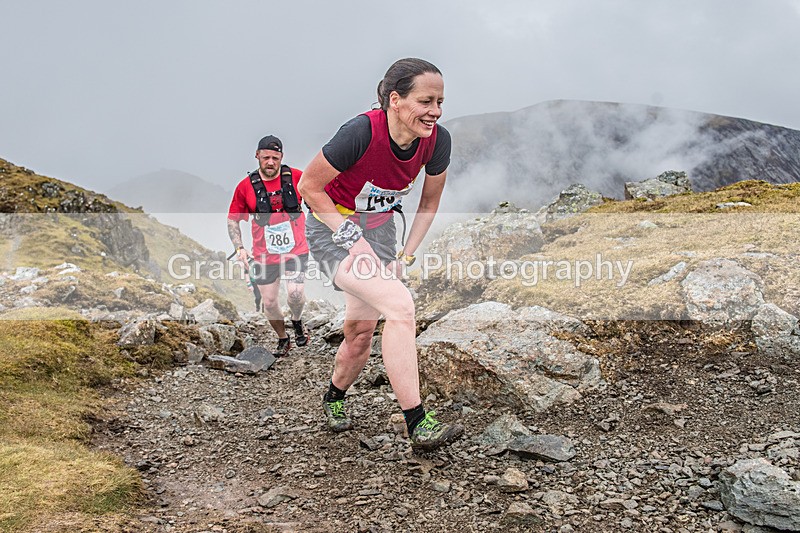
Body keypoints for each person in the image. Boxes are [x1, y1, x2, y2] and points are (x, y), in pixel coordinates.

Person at [298, 58, 463, 451]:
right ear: (395, 99)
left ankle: (333, 398)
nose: (435, 111)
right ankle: (418, 423)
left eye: (440, 102)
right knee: (400, 305)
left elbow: (429, 202)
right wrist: (351, 239)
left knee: (359, 336)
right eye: (426, 101)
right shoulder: (360, 133)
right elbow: (308, 187)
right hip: (332, 231)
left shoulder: (437, 141)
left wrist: (405, 256)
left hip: (382, 233)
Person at [228, 135, 310, 356]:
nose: (271, 162)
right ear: (257, 156)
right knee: (270, 303)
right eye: (266, 157)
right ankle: (283, 338)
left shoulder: (298, 177)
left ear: (282, 157)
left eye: (275, 157)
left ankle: (297, 320)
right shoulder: (245, 187)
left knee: (294, 294)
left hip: (296, 249)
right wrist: (239, 248)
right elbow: (233, 219)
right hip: (265, 254)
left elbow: (319, 197)